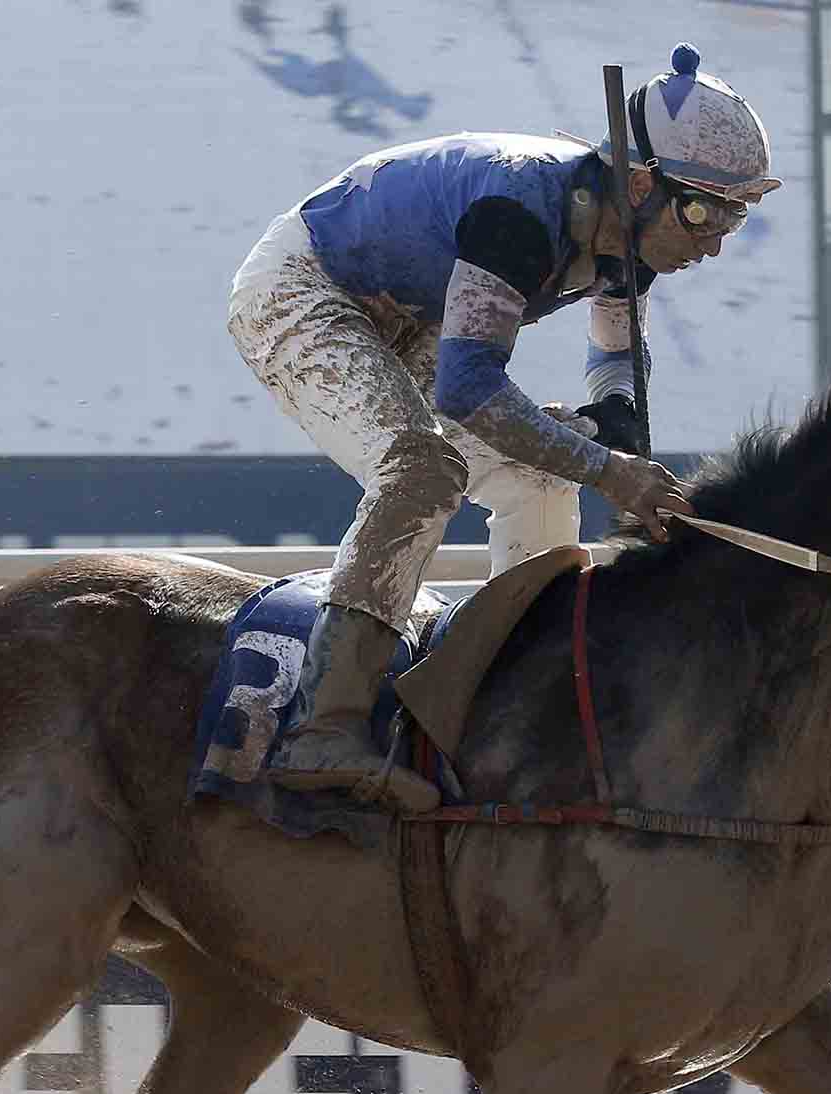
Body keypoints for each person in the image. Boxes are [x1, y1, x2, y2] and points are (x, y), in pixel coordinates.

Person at [226, 43, 781, 812]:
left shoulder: (632, 242)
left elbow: (616, 363)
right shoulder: (520, 209)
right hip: (305, 288)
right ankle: (324, 726)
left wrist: (614, 430)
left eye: (734, 215)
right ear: (641, 183)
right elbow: (468, 389)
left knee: (543, 472)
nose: (714, 240)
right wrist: (610, 469)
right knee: (423, 470)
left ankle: (519, 698)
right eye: (701, 211)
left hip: (406, 312)